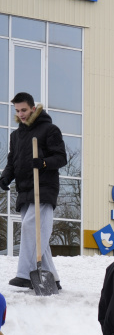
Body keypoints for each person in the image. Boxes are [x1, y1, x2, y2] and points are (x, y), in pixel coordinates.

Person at [1, 92, 67, 290]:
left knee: (31, 227)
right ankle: (53, 278)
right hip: (25, 190)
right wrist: (5, 177)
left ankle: (24, 274)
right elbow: (12, 162)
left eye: (24, 110)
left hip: (43, 188)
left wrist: (44, 162)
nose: (20, 114)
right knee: (38, 237)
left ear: (32, 108)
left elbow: (61, 157)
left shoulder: (49, 130)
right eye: (17, 111)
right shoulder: (16, 136)